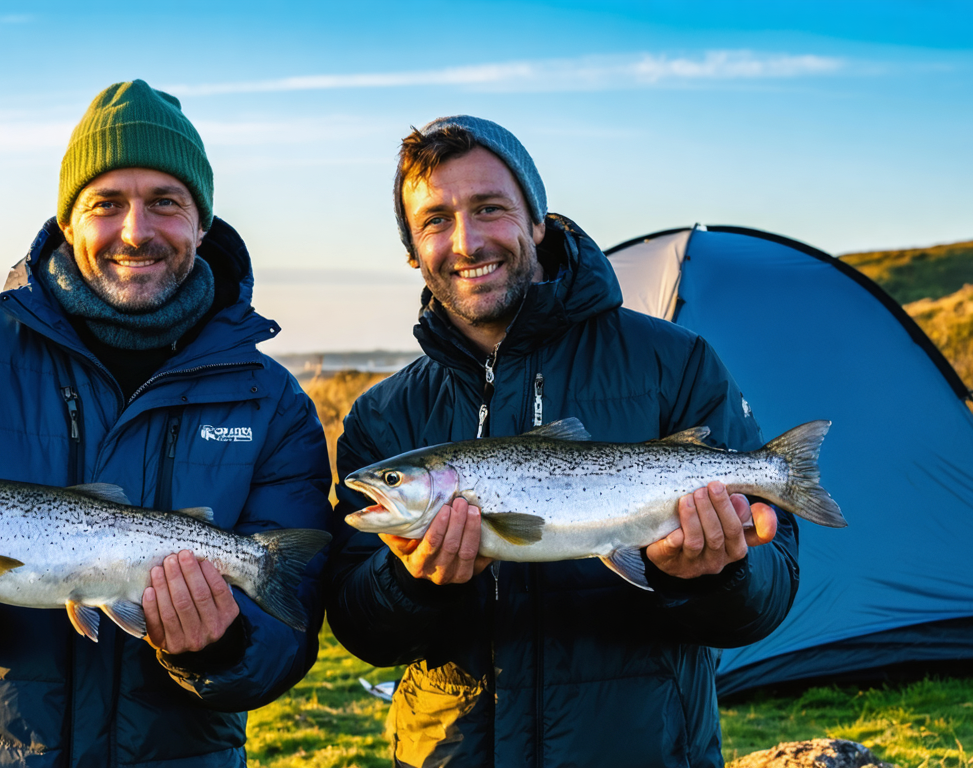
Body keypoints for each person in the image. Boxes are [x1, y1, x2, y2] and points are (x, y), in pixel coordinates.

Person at [0, 80, 332, 767]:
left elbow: (286, 642)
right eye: (107, 203)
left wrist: (226, 647)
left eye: (166, 203)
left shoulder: (273, 401)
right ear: (67, 221)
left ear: (202, 223)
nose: (136, 231)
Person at [324, 115, 800, 768]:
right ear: (411, 248)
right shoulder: (382, 416)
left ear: (538, 221)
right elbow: (358, 629)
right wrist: (414, 584)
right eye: (435, 219)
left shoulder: (676, 361)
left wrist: (714, 575)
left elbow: (766, 600)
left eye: (489, 208)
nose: (465, 241)